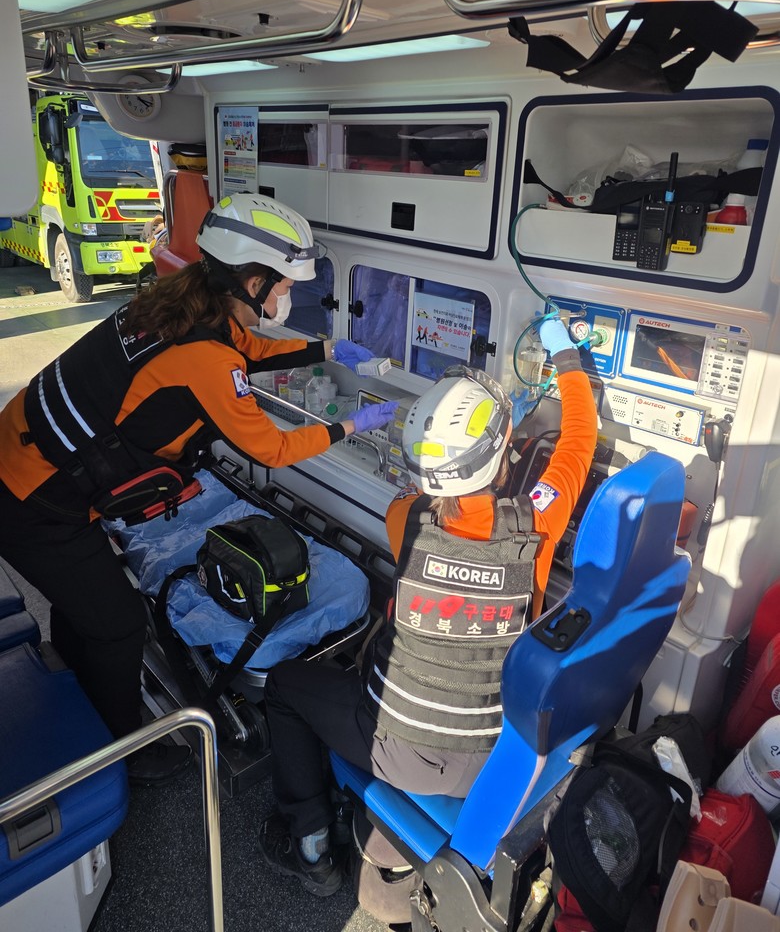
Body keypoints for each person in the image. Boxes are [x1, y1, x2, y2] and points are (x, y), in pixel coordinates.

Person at [0, 193, 397, 785]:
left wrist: (327, 349)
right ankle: (124, 750)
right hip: (36, 498)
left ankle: (81, 688)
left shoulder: (177, 303)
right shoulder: (207, 358)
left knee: (82, 602)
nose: (289, 297)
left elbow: (246, 351)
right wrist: (350, 426)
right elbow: (272, 449)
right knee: (117, 622)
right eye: (286, 286)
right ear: (253, 282)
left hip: (23, 452)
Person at [257, 314, 598, 896]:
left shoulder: (405, 518)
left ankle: (312, 847)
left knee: (285, 686)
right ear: (503, 460)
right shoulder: (536, 526)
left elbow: (429, 497)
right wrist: (565, 357)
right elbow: (580, 436)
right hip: (493, 759)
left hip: (391, 745)